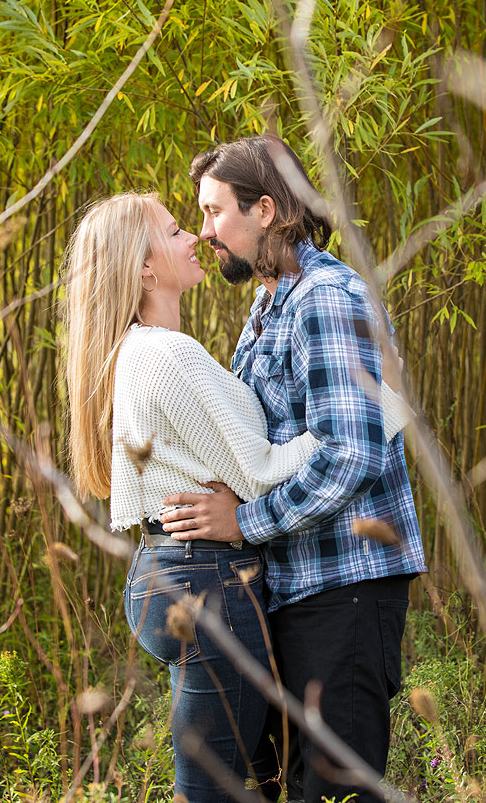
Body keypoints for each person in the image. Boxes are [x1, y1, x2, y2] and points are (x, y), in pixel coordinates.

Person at [59, 191, 411, 802]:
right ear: (144, 267)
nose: (194, 236)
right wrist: (377, 413)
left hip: (171, 571)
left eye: (199, 218)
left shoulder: (144, 350)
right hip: (208, 580)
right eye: (175, 231)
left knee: (252, 781)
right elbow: (260, 471)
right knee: (216, 790)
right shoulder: (168, 354)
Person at [157, 135, 428, 801]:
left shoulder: (326, 297)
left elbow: (353, 454)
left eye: (215, 211)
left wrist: (243, 522)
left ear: (267, 210)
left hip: (344, 590)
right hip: (294, 590)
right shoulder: (268, 304)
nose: (204, 231)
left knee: (333, 792)